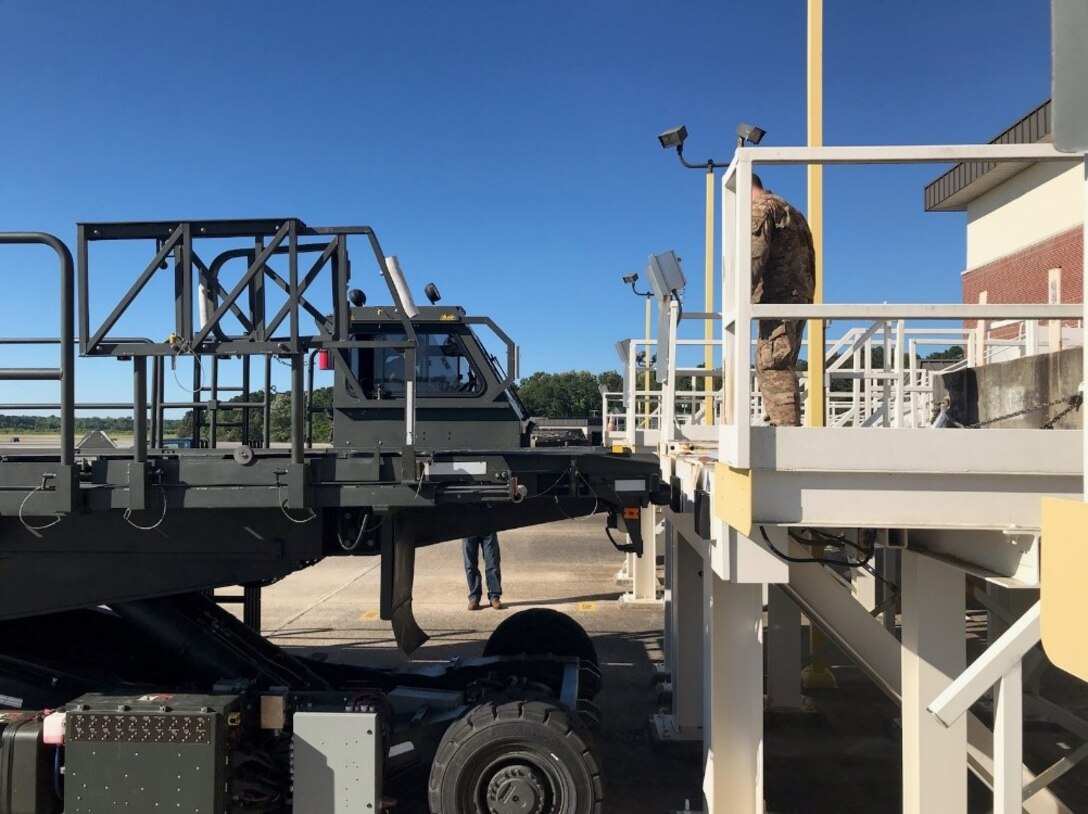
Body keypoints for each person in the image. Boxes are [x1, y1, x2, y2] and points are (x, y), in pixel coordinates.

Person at [751, 174, 816, 426]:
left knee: (772, 364)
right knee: (781, 361)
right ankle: (781, 421)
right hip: (798, 296)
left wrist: (737, 298)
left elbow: (753, 258)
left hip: (778, 298)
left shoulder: (762, 208)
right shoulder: (792, 211)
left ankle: (785, 430)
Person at [463, 531, 503, 610]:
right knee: (470, 565)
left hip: (488, 524)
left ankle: (494, 597)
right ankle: (474, 597)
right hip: (467, 525)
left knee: (492, 562)